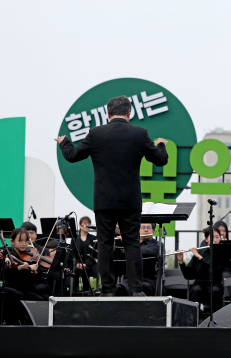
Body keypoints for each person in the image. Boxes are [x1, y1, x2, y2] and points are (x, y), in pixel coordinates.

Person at [56, 95, 169, 297]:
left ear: (107, 114)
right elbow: (160, 160)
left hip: (104, 201)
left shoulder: (96, 134)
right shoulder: (140, 134)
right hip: (130, 201)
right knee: (132, 244)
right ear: (129, 112)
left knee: (106, 244)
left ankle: (107, 290)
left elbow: (72, 156)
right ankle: (136, 290)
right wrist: (161, 145)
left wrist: (64, 142)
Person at [177, 227, 224, 312]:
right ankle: (194, 318)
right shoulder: (200, 252)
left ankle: (217, 320)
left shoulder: (221, 253)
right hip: (200, 284)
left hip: (215, 284)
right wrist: (181, 261)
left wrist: (198, 256)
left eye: (217, 237)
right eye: (212, 237)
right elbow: (188, 275)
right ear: (206, 239)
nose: (215, 239)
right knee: (195, 290)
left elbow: (213, 270)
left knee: (215, 291)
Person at [116, 222, 160, 296]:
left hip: (146, 281)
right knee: (116, 289)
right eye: (143, 227)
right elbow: (117, 257)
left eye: (148, 228)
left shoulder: (157, 245)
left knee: (138, 289)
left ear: (152, 231)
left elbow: (149, 252)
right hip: (127, 281)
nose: (146, 230)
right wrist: (114, 245)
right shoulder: (130, 243)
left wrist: (128, 243)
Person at [2, 228, 46, 300]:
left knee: (47, 299)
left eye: (26, 241)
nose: (24, 243)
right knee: (39, 299)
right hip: (15, 288)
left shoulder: (29, 256)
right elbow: (6, 274)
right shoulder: (9, 255)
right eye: (20, 241)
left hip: (28, 288)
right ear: (12, 241)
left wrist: (36, 271)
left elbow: (39, 274)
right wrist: (21, 268)